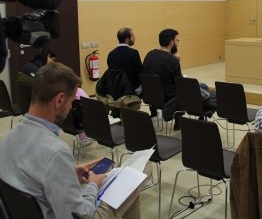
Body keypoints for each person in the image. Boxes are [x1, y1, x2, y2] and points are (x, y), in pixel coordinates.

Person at [0, 62, 150, 219]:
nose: (71, 108)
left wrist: (68, 172)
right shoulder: (56, 151)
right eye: (71, 102)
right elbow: (81, 215)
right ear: (59, 101)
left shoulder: (9, 139)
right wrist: (93, 184)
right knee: (139, 175)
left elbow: (32, 173)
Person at [142, 28, 216, 124]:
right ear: (171, 42)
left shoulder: (149, 54)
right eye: (177, 40)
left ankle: (192, 118)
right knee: (205, 89)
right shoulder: (172, 61)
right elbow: (181, 85)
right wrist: (176, 62)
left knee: (202, 88)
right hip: (170, 99)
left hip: (152, 97)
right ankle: (201, 116)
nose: (178, 43)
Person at [107, 28, 143, 95]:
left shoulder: (111, 54)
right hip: (133, 90)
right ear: (127, 40)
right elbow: (141, 72)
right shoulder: (134, 53)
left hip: (117, 90)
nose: (135, 38)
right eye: (133, 36)